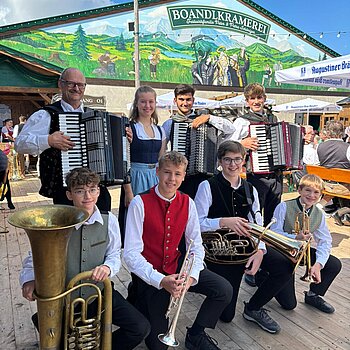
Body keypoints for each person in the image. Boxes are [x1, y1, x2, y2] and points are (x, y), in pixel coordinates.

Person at [19, 167, 150, 349]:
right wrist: (29, 280)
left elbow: (114, 254)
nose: (87, 196)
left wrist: (107, 268)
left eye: (92, 190)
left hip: (98, 294)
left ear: (98, 192)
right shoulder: (57, 222)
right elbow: (34, 257)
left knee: (140, 328)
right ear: (70, 194)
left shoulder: (109, 220)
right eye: (80, 191)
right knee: (55, 338)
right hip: (65, 298)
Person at [123, 151, 233, 350]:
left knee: (223, 290)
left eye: (177, 174)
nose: (171, 179)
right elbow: (130, 254)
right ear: (157, 172)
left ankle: (196, 333)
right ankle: (138, 296)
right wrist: (160, 280)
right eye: (167, 172)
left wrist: (190, 277)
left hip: (178, 269)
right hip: (152, 276)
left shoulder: (188, 203)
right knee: (158, 346)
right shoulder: (140, 203)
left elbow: (196, 245)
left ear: (183, 176)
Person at [195, 141, 295, 334]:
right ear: (220, 161)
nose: (232, 165)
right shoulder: (207, 186)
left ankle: (253, 307)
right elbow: (197, 223)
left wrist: (260, 250)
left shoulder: (251, 189)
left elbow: (257, 222)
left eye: (237, 160)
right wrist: (223, 221)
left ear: (244, 161)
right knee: (226, 316)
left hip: (247, 246)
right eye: (227, 160)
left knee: (284, 265)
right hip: (220, 252)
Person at [14, 67, 111, 211]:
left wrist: (125, 139)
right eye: (71, 83)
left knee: (100, 230)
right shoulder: (46, 115)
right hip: (65, 192)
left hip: (96, 192)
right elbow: (19, 144)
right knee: (68, 232)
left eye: (80, 85)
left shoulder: (96, 115)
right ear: (61, 84)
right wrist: (48, 140)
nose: (76, 88)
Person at [271, 174, 342, 313]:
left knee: (333, 264)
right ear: (299, 191)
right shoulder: (284, 206)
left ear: (321, 195)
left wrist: (318, 264)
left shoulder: (319, 214)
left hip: (301, 251)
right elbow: (273, 233)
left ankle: (313, 295)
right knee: (289, 304)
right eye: (307, 190)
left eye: (316, 192)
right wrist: (295, 237)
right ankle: (264, 276)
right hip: (282, 252)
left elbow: (325, 241)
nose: (312, 195)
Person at [162, 84, 236, 198]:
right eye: (181, 99)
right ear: (175, 100)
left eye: (188, 100)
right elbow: (162, 149)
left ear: (193, 100)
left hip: (205, 176)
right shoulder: (169, 123)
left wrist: (210, 117)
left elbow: (231, 129)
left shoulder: (205, 119)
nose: (185, 103)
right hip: (180, 178)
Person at [118, 85, 166, 242]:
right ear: (136, 104)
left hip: (155, 179)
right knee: (137, 223)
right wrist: (128, 192)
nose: (147, 106)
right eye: (143, 102)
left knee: (154, 224)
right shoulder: (129, 128)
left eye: (151, 102)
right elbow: (124, 162)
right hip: (135, 179)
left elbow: (162, 161)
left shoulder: (160, 130)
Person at [230, 83, 282, 225]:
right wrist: (242, 143)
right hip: (257, 176)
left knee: (274, 214)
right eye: (252, 98)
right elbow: (228, 144)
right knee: (255, 212)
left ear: (264, 99)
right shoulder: (242, 121)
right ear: (247, 101)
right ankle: (255, 244)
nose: (256, 101)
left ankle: (271, 244)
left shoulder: (273, 119)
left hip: (276, 174)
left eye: (259, 97)